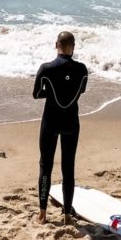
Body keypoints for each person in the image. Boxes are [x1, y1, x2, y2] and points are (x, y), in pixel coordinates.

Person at [33, 31, 88, 225]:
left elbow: (37, 94)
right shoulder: (82, 70)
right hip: (71, 122)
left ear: (56, 44)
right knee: (68, 167)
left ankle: (42, 214)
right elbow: (80, 91)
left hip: (51, 121)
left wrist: (51, 91)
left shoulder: (46, 69)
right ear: (73, 46)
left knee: (45, 166)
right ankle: (66, 215)